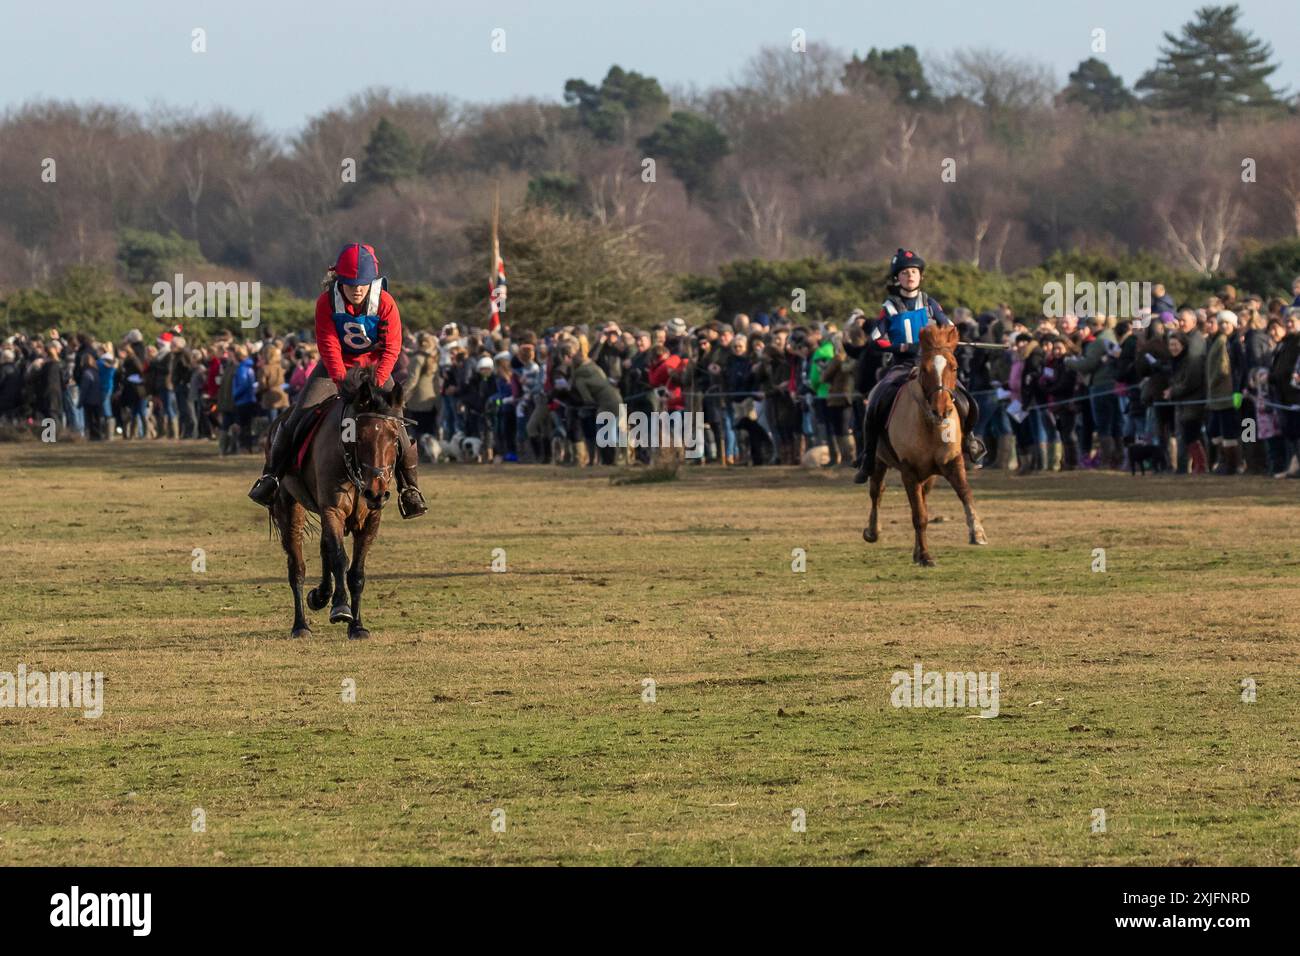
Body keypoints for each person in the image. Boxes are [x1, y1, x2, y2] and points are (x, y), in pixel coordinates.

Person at [248, 243, 427, 518]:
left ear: (372, 282)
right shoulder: (326, 302)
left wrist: (376, 383)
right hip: (336, 369)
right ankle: (271, 478)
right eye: (350, 283)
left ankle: (409, 490)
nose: (357, 289)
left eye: (363, 284)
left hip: (376, 368)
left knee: (396, 423)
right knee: (297, 416)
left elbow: (392, 347)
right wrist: (341, 380)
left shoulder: (386, 303)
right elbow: (328, 344)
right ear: (338, 280)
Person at [853, 249, 984, 483]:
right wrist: (902, 348)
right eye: (905, 273)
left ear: (921, 276)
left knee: (965, 398)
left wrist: (940, 345)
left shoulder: (931, 304)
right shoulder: (890, 307)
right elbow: (876, 338)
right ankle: (868, 457)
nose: (910, 276)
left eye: (914, 271)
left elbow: (950, 328)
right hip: (902, 366)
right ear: (897, 278)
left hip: (931, 365)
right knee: (876, 401)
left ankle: (970, 440)